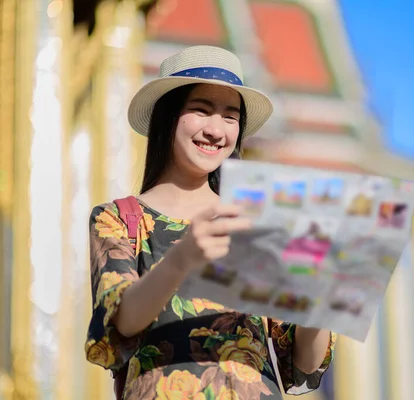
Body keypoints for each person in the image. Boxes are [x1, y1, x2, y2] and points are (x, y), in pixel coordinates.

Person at [84, 45, 336, 400]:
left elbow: (304, 362)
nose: (216, 130)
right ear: (167, 117)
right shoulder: (119, 219)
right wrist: (181, 258)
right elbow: (121, 323)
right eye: (201, 110)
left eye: (230, 117)